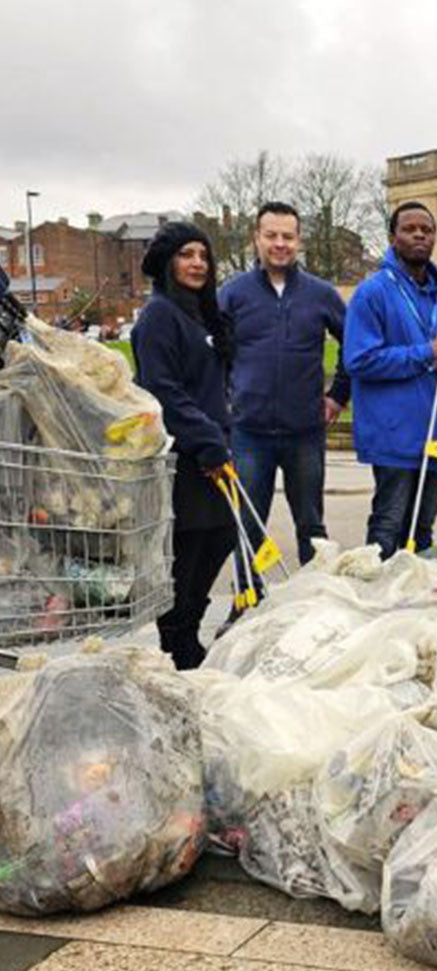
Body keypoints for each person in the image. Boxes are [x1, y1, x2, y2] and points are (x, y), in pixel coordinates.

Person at [218, 201, 350, 589]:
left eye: (287, 237)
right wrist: (227, 400)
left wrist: (338, 395)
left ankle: (313, 598)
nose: (280, 244)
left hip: (305, 431)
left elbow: (353, 347)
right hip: (249, 432)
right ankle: (247, 599)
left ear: (299, 241)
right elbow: (215, 355)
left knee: (311, 523)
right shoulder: (233, 294)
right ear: (256, 239)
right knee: (248, 523)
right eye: (271, 235)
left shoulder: (321, 294)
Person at [131, 222, 235, 670]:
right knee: (187, 551)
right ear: (167, 262)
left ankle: (187, 632)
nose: (197, 264)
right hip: (182, 457)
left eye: (203, 256)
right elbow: (162, 390)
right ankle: (178, 644)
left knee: (222, 537)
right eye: (186, 255)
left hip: (213, 451)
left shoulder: (201, 315)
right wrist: (208, 440)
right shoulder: (159, 315)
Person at [344, 202, 437, 559]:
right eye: (409, 229)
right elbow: (359, 359)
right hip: (393, 436)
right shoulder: (373, 293)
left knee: (422, 535)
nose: (418, 235)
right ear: (392, 237)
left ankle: (417, 612)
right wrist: (425, 354)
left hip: (435, 438)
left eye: (426, 230)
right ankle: (378, 608)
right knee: (387, 530)